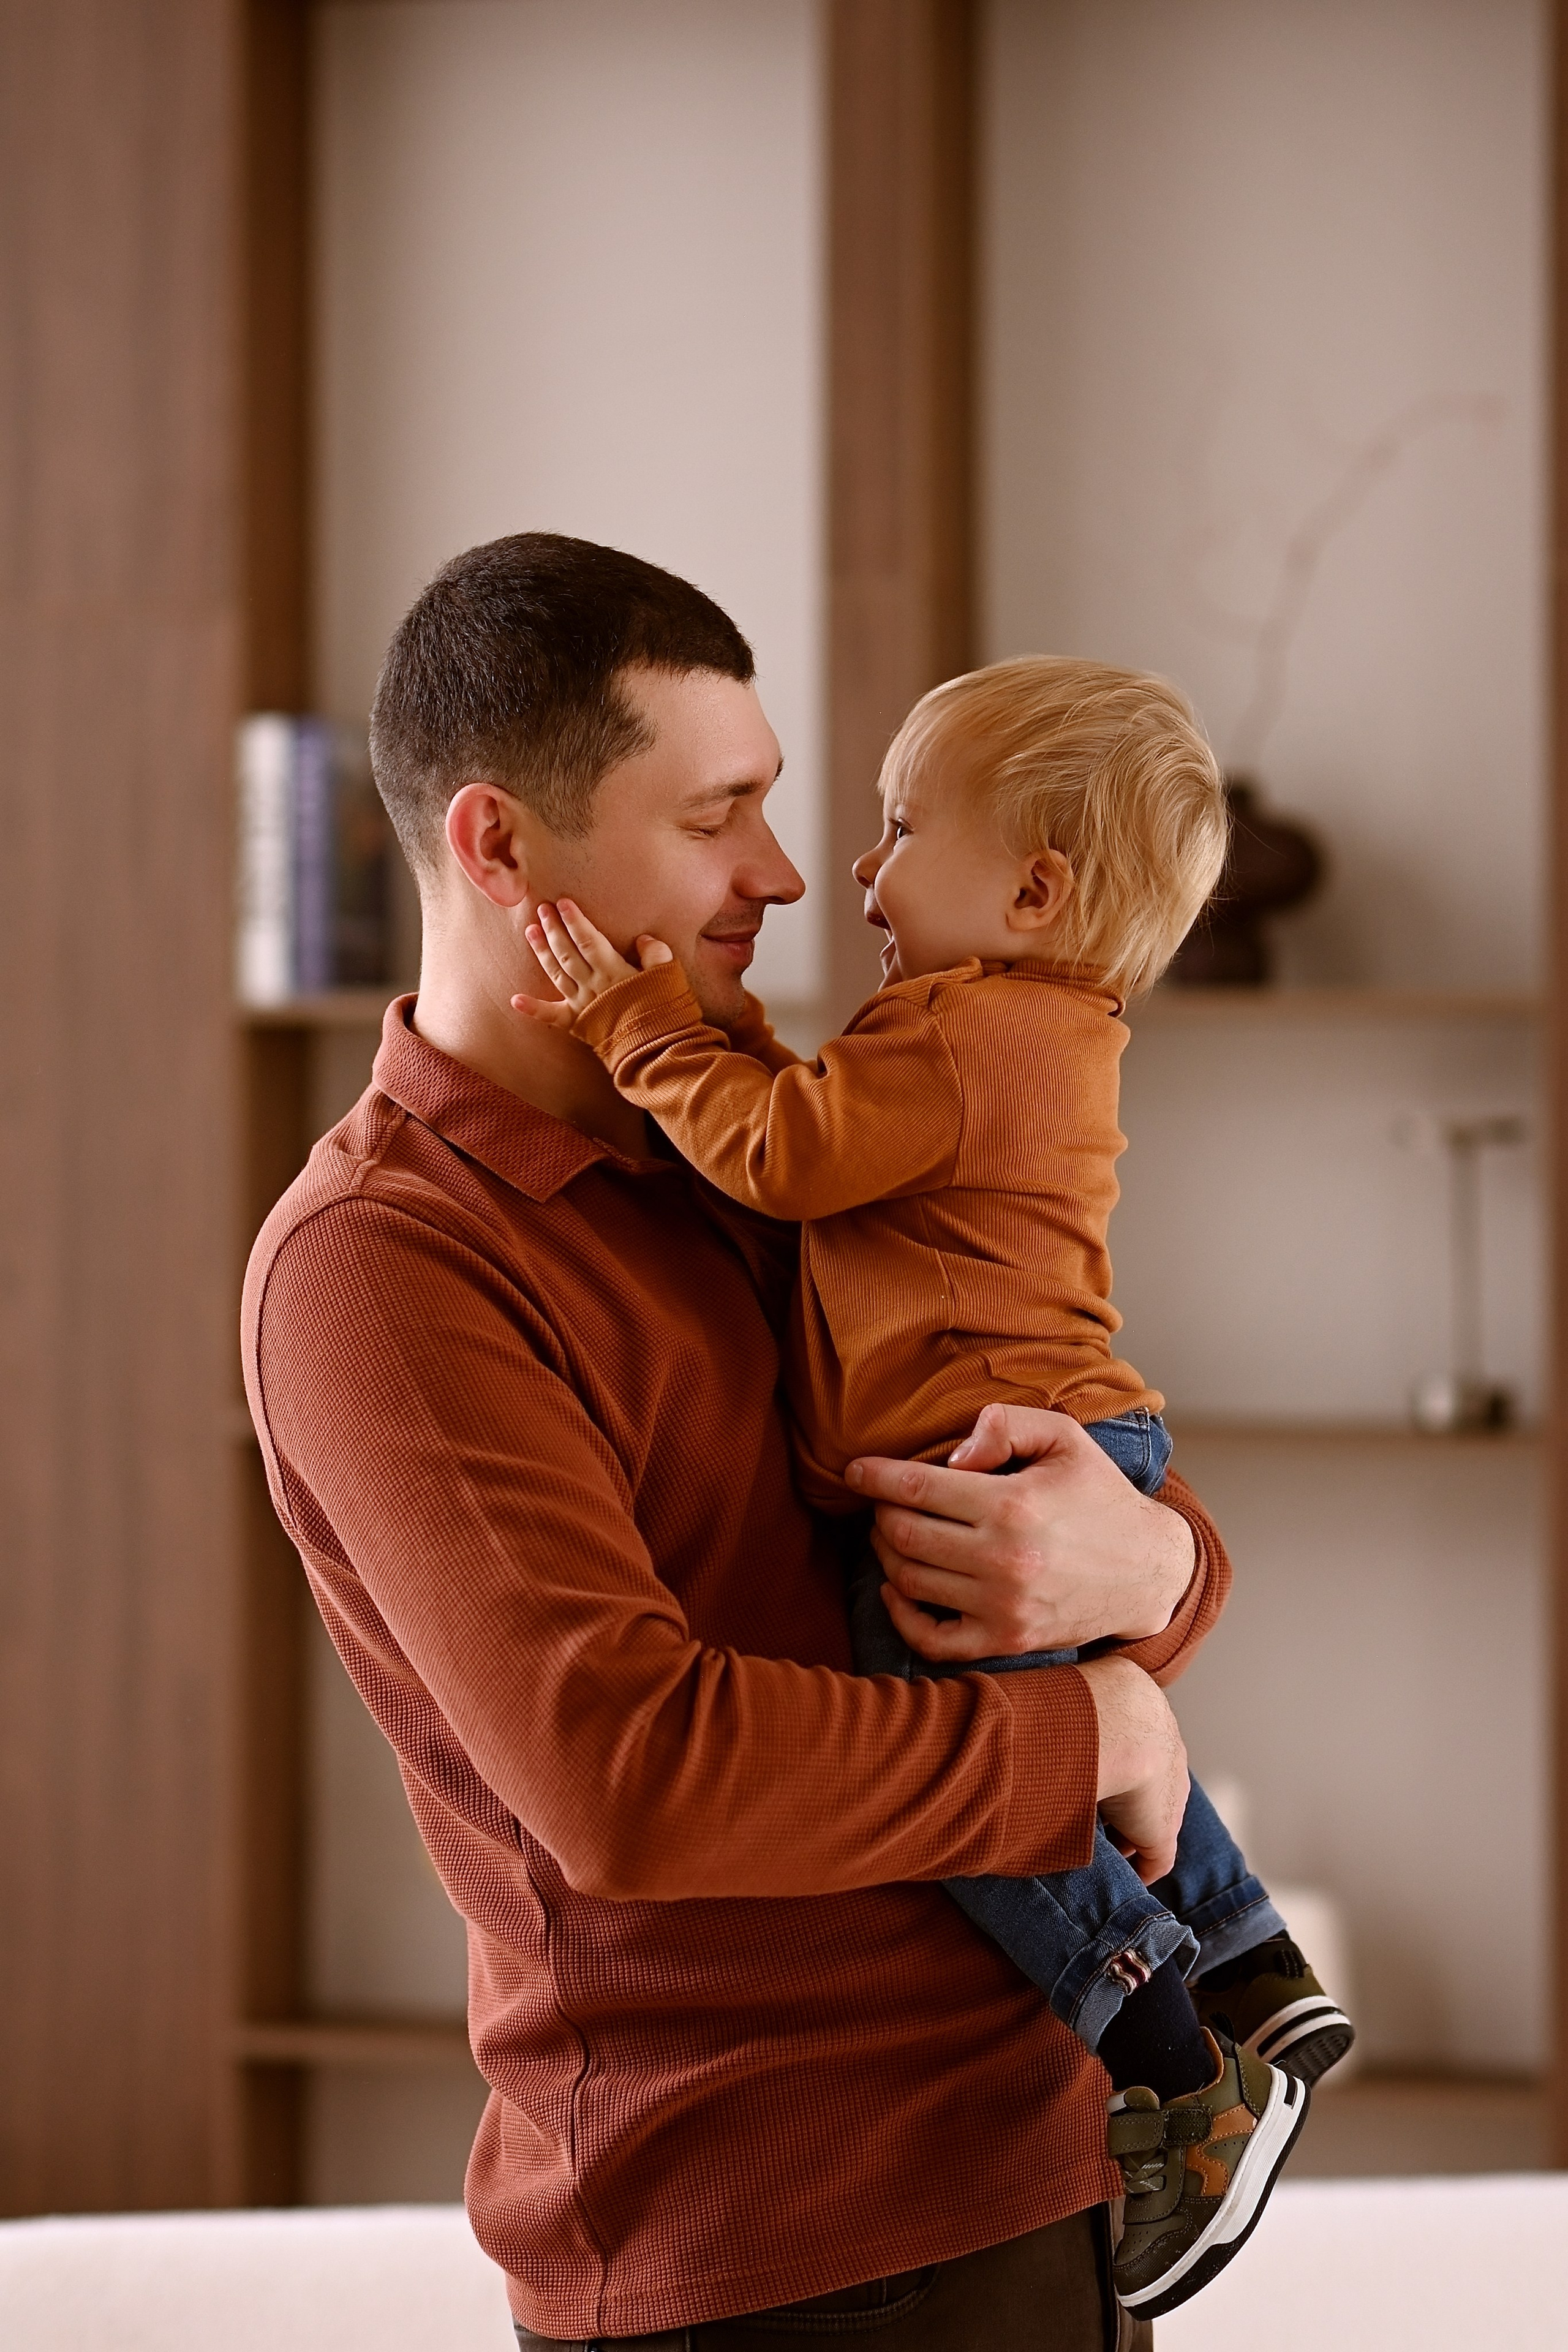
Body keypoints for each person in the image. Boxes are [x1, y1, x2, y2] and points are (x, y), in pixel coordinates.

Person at [243, 533, 1226, 2349]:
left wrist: (1161, 1565)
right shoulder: (383, 1267)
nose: (786, 876)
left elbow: (1045, 1435)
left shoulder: (761, 1127)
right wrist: (1085, 1726)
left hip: (1055, 2177)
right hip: (771, 2260)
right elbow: (635, 1773)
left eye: (777, 806)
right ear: (498, 845)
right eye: (717, 820)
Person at [514, 654, 1354, 2321]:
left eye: (896, 829)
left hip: (1002, 1457)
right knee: (1071, 1721)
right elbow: (804, 1127)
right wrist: (712, 1024)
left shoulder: (970, 1038)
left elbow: (778, 1154)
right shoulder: (1002, 1027)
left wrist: (634, 1018)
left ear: (1035, 886)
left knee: (961, 1723)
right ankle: (1256, 1966)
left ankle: (1176, 2065)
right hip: (1062, 1440)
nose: (851, 870)